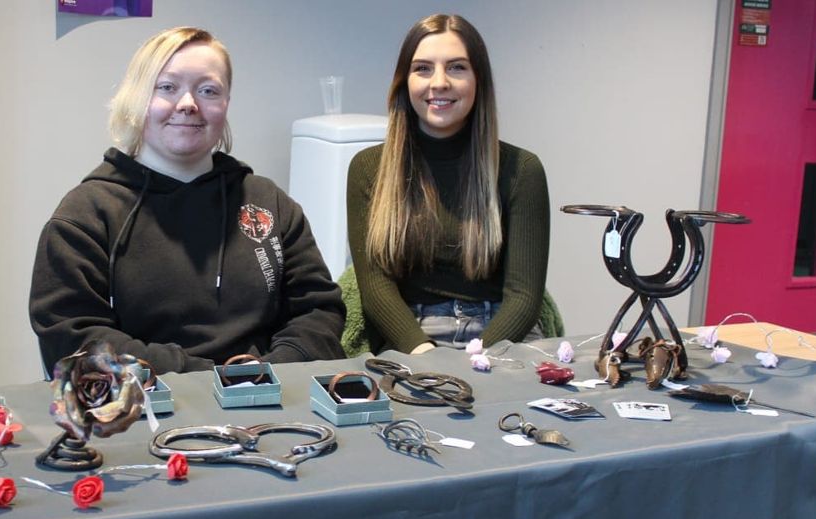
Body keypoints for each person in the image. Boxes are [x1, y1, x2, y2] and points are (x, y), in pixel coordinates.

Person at [31, 27, 345, 374]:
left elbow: (318, 311)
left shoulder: (267, 202)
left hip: (267, 396)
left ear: (225, 105)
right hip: (144, 408)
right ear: (138, 98)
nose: (188, 104)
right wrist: (203, 381)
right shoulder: (85, 214)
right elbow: (71, 334)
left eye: (208, 90)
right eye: (167, 87)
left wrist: (268, 373)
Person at [347, 14, 550, 354]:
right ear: (404, 82)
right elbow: (375, 287)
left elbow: (524, 297)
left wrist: (478, 357)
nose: (439, 82)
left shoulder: (522, 171)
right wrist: (425, 356)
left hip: (501, 338)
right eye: (423, 68)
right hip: (411, 337)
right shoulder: (368, 168)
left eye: (456, 67)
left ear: (478, 81)